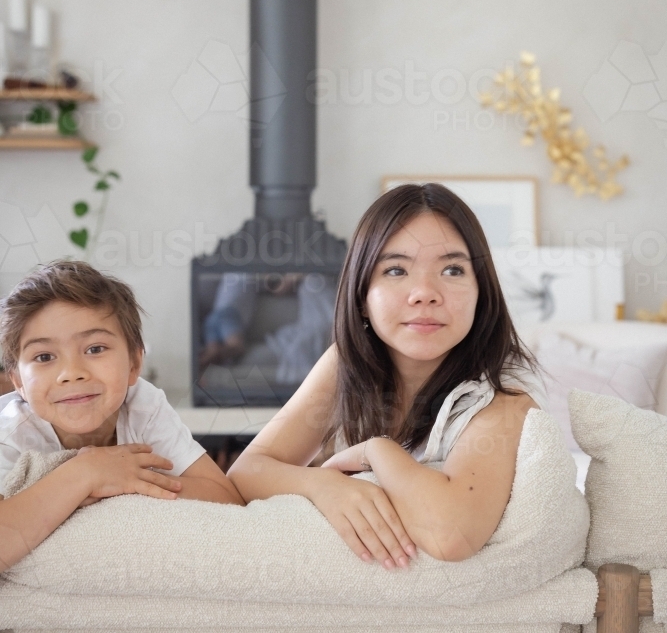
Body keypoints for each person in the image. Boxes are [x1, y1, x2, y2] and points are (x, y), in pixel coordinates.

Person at [229, 183, 545, 567]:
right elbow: (247, 471)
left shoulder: (504, 399)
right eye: (396, 270)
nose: (424, 293)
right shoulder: (346, 363)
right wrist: (323, 485)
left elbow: (450, 536)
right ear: (362, 297)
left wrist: (376, 451)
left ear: (482, 293)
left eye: (452, 269)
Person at [0, 260, 244, 573]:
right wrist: (86, 474)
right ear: (18, 381)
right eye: (44, 357)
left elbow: (225, 499)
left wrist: (124, 480)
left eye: (95, 349)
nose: (71, 373)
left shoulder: (144, 405)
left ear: (133, 363)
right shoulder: (12, 432)